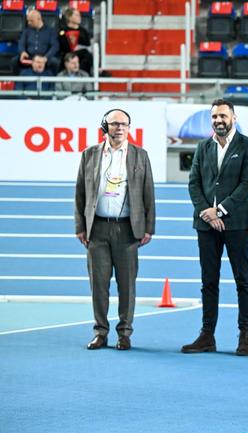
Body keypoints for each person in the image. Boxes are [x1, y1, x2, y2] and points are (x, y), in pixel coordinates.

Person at [182, 99, 248, 356]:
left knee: (243, 280)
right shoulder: (203, 147)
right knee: (208, 281)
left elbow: (247, 185)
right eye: (214, 116)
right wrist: (207, 213)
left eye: (223, 116)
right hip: (206, 225)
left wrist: (221, 210)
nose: (218, 120)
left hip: (237, 223)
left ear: (234, 118)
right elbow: (194, 183)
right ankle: (207, 335)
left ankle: (245, 335)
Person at [75, 109, 156, 351]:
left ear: (129, 128)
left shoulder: (140, 156)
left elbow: (148, 194)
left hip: (127, 230)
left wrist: (148, 228)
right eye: (114, 124)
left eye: (124, 124)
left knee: (126, 285)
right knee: (98, 285)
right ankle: (100, 332)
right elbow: (80, 192)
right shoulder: (89, 155)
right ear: (105, 127)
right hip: (97, 228)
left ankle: (125, 333)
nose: (119, 128)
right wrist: (80, 226)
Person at [16, 9, 60, 73]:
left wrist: (46, 57)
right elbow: (21, 43)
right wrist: (22, 52)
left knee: (55, 62)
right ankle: (19, 81)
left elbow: (55, 46)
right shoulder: (26, 31)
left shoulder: (50, 31)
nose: (29, 23)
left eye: (31, 21)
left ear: (39, 19)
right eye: (28, 21)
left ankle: (53, 82)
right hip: (30, 57)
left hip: (45, 57)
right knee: (14, 61)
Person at [58, 8, 92, 74]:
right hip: (66, 54)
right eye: (76, 15)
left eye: (79, 15)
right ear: (69, 17)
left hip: (82, 56)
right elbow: (61, 46)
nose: (79, 17)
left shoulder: (84, 31)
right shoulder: (62, 31)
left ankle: (82, 76)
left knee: (87, 56)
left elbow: (88, 45)